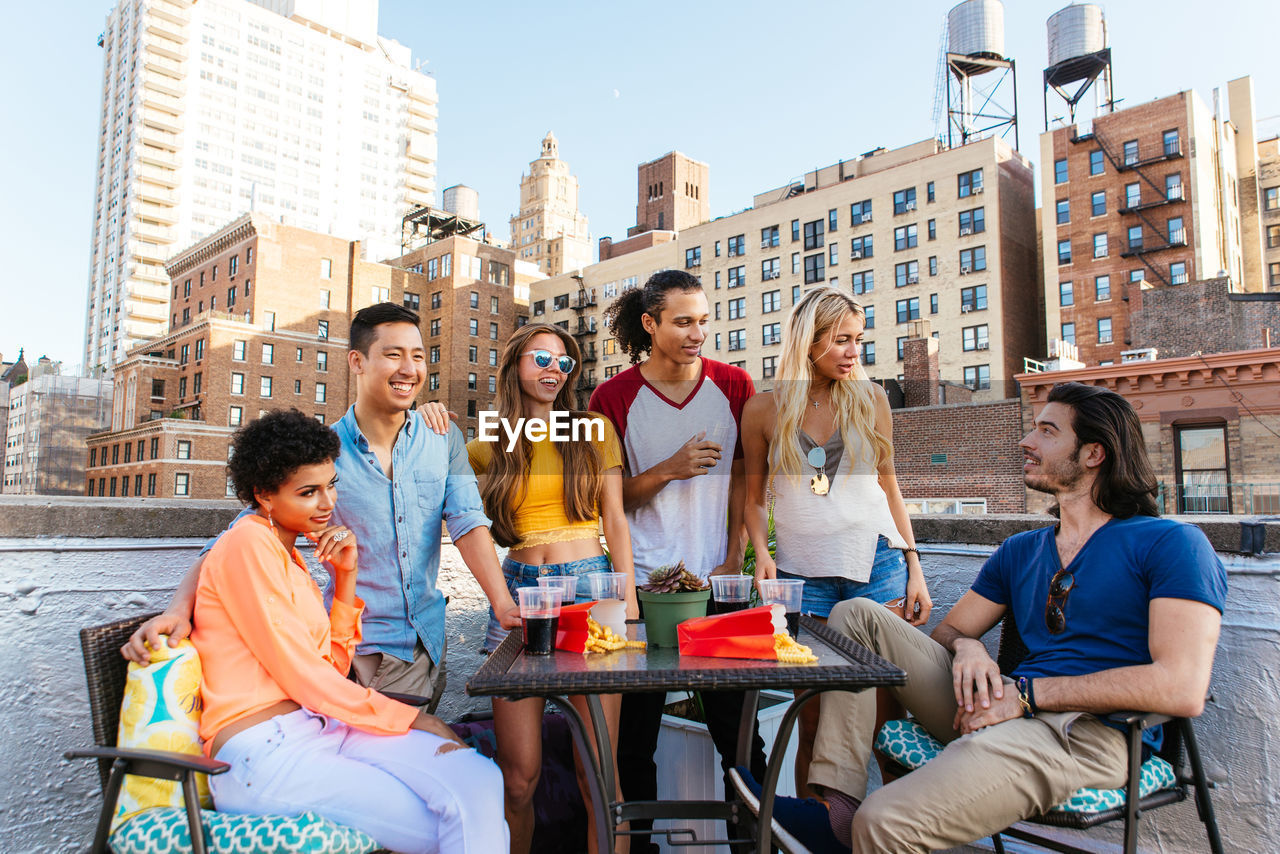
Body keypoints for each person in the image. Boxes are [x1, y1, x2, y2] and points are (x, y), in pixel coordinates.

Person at [750, 382, 1226, 854]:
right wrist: (971, 647)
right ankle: (835, 807)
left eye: (1046, 431)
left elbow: (1179, 688)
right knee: (854, 614)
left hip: (1084, 734)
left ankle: (845, 833)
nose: (1026, 441)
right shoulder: (1022, 550)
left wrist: (1024, 696)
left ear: (1093, 454)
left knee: (883, 823)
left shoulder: (1170, 545)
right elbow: (950, 631)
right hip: (1000, 704)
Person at [123, 303, 520, 709]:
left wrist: (503, 604)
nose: (409, 368)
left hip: (429, 644)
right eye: (393, 354)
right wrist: (178, 610)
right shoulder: (322, 454)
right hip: (355, 650)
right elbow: (242, 533)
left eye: (418, 356)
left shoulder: (443, 437)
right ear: (357, 361)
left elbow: (467, 522)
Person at [192, 408, 507, 853]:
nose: (328, 504)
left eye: (331, 485)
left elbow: (332, 665)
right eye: (308, 492)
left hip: (320, 727)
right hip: (264, 754)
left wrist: (346, 578)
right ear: (264, 494)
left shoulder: (290, 556)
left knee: (477, 781)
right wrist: (415, 718)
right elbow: (306, 676)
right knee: (446, 825)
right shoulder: (248, 545)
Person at [589, 269, 767, 853]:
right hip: (643, 589)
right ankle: (640, 847)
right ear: (650, 324)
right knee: (633, 743)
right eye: (683, 322)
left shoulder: (735, 386)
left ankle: (754, 845)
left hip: (717, 588)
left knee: (740, 739)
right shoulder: (611, 398)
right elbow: (607, 503)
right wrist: (669, 467)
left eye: (704, 321)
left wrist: (735, 557)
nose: (698, 333)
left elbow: (745, 480)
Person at [740, 286, 931, 797]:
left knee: (887, 726)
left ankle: (892, 837)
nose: (854, 352)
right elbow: (755, 499)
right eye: (842, 340)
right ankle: (815, 837)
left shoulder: (870, 398)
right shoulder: (763, 410)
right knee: (815, 720)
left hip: (879, 565)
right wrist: (762, 555)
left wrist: (914, 566)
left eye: (859, 340)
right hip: (805, 578)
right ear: (809, 342)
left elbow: (890, 486)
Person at [465, 322, 638, 854]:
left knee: (599, 777)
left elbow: (615, 520)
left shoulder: (593, 432)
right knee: (518, 779)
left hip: (590, 591)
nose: (553, 370)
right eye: (541, 358)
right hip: (518, 594)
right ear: (515, 363)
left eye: (564, 363)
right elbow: (452, 508)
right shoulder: (486, 445)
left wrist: (627, 603)